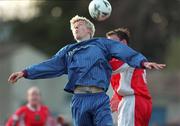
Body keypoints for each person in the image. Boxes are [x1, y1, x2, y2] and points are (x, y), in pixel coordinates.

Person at [8, 15, 165, 126]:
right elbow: (50, 65)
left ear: (89, 30)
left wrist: (143, 62)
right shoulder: (67, 51)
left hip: (99, 98)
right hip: (79, 100)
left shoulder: (101, 44)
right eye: (73, 27)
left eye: (79, 25)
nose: (75, 27)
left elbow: (122, 51)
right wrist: (25, 72)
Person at [106, 28, 154, 126]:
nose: (108, 47)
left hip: (133, 101)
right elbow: (126, 82)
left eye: (112, 43)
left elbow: (107, 67)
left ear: (123, 43)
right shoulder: (134, 57)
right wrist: (117, 98)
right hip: (141, 101)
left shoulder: (125, 56)